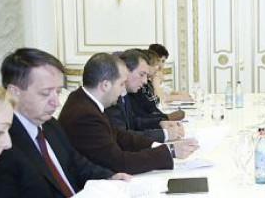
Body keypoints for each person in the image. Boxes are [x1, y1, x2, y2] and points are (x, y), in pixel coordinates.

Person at [0, 48, 130, 198]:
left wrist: (109, 177)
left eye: (58, 92)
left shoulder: (49, 124)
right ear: (14, 92)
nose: (56, 102)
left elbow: (76, 163)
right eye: (46, 93)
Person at [59, 53, 199, 175]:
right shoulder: (85, 115)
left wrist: (158, 145)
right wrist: (170, 151)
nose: (122, 91)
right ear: (105, 85)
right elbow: (119, 162)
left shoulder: (84, 100)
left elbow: (119, 136)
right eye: (121, 84)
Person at [105, 49, 185, 143]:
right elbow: (122, 137)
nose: (145, 81)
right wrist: (165, 134)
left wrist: (160, 123)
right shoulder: (112, 97)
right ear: (125, 70)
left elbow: (133, 122)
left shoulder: (124, 93)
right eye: (141, 74)